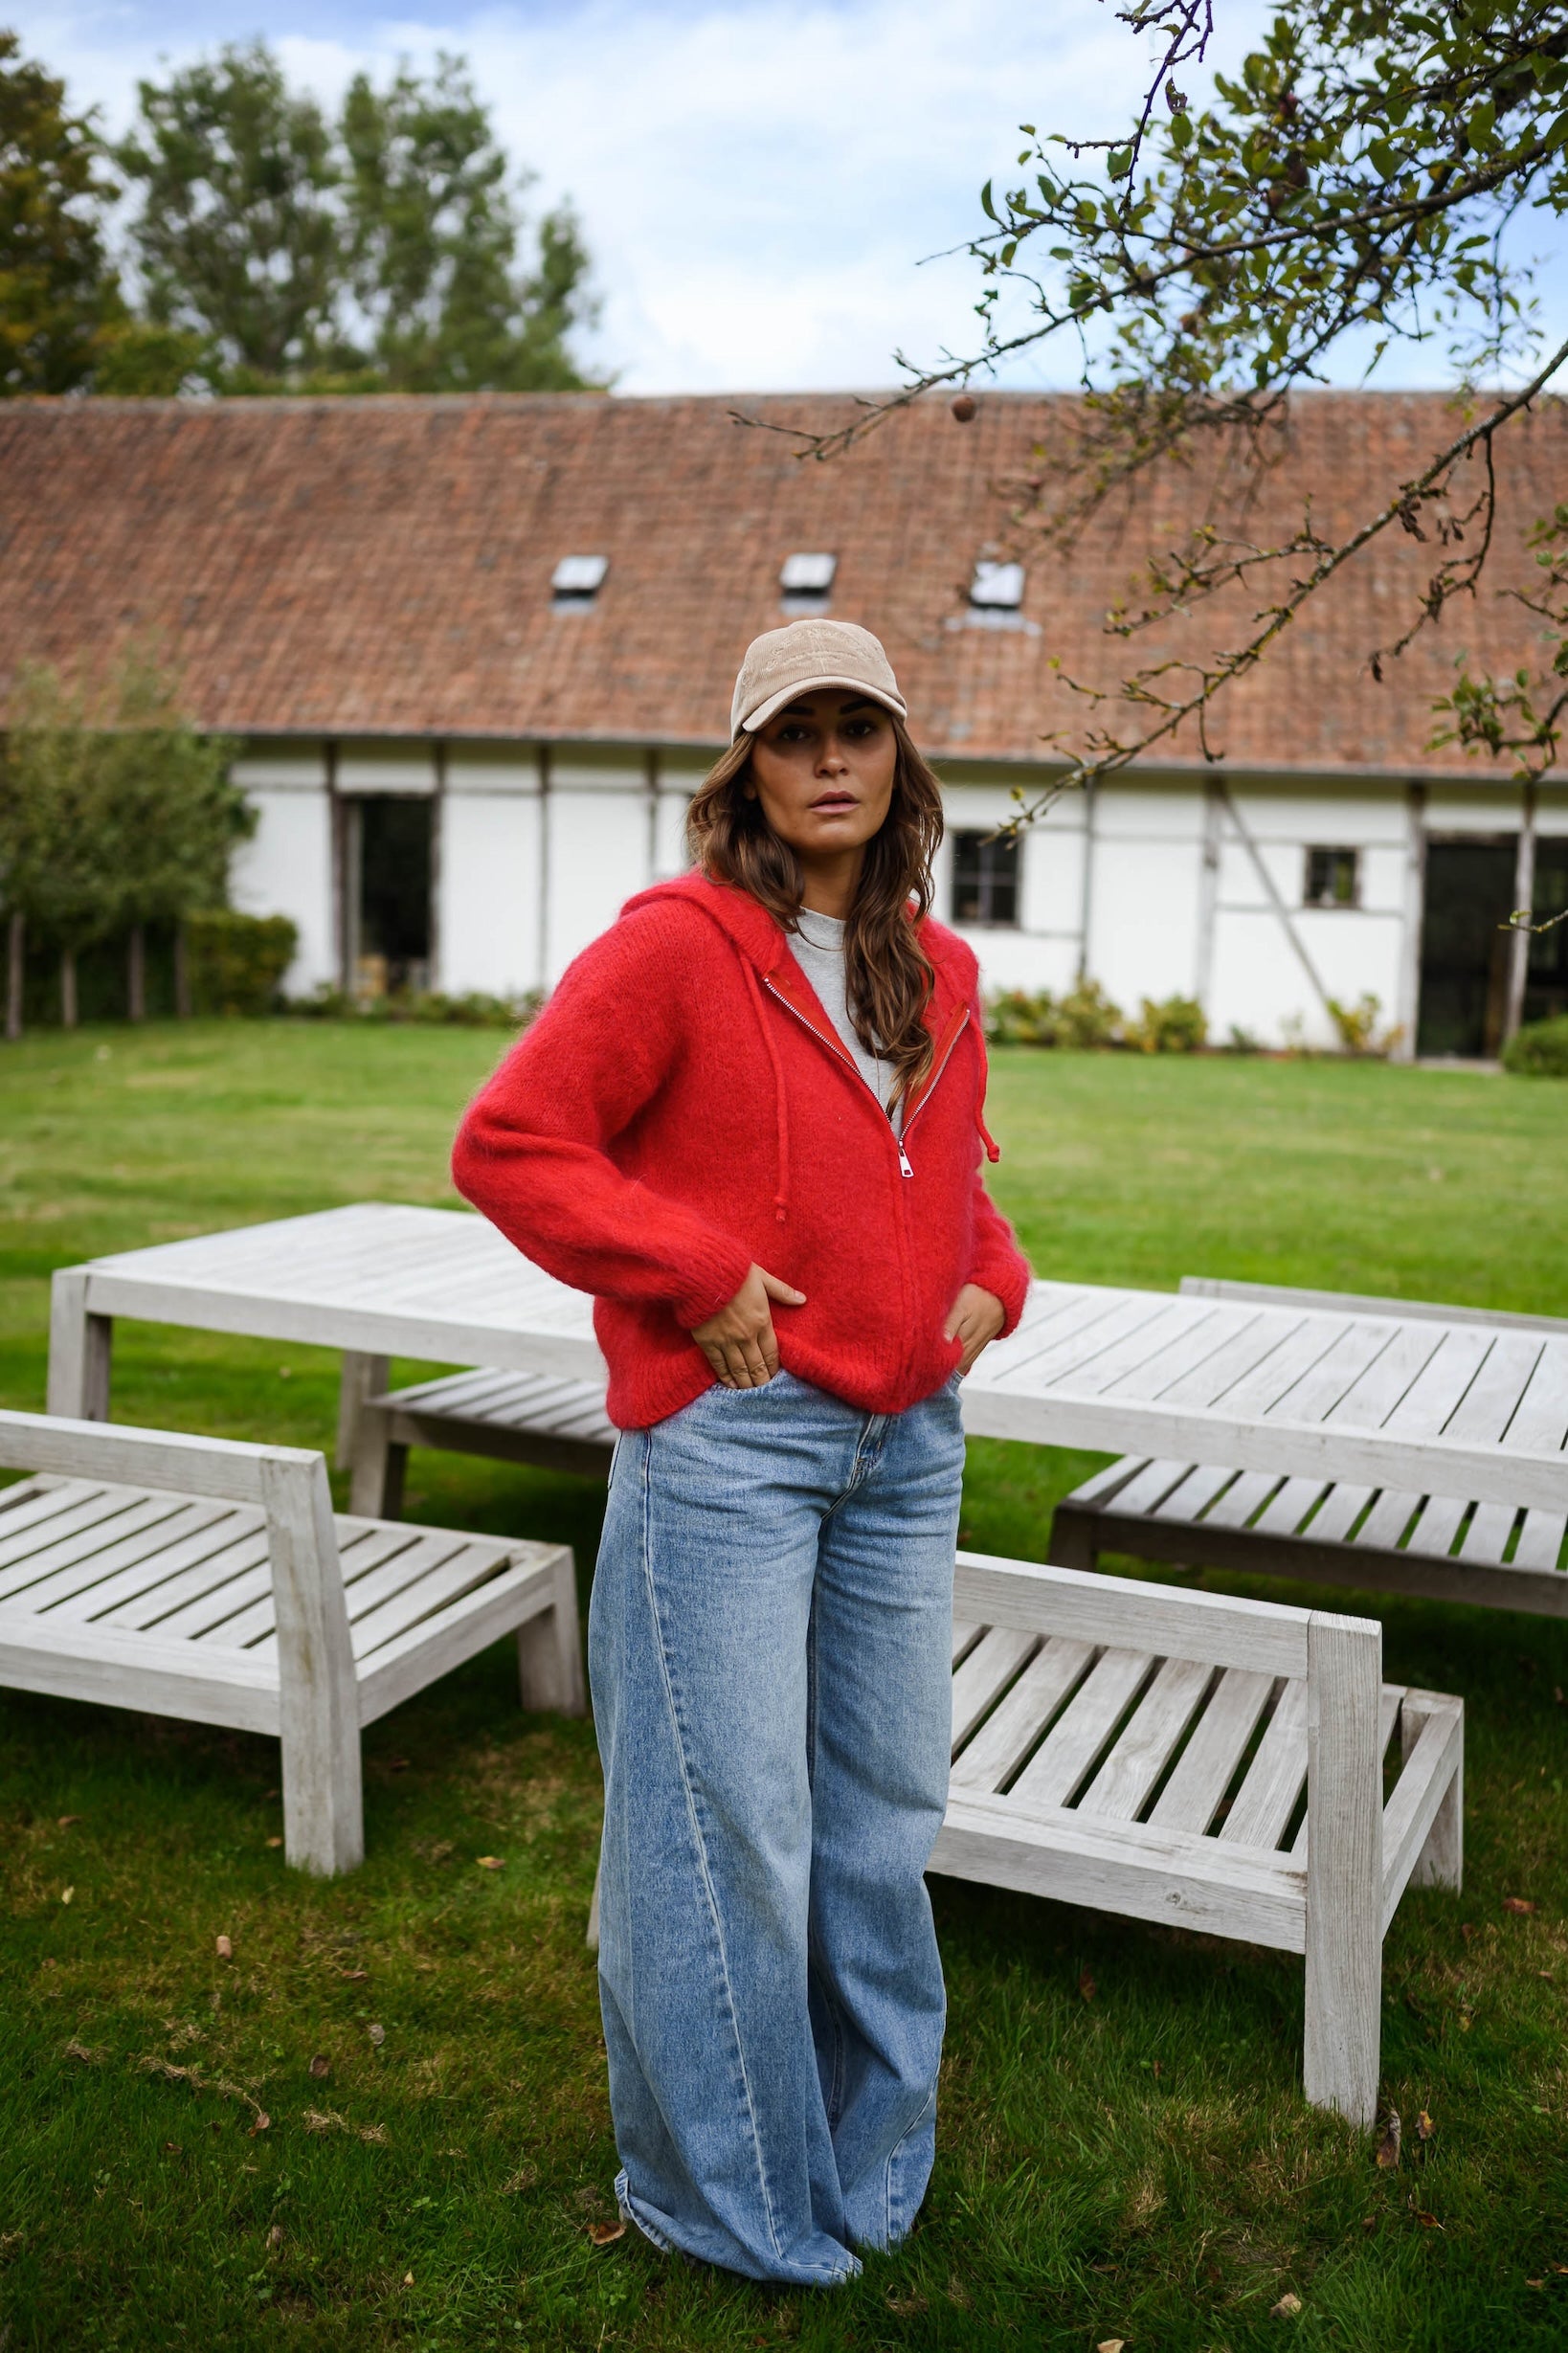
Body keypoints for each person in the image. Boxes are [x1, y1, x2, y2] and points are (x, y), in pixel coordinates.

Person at [452, 617, 1031, 2287]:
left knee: (878, 1813)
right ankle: (721, 2194)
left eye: (860, 729)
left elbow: (949, 1176)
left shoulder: (938, 970)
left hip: (906, 1440)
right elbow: (509, 1144)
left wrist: (992, 1278)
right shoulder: (679, 949)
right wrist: (692, 1272)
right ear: (749, 769)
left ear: (901, 760)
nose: (831, 759)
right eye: (797, 734)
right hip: (733, 1450)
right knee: (727, 1824)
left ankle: (867, 2155)